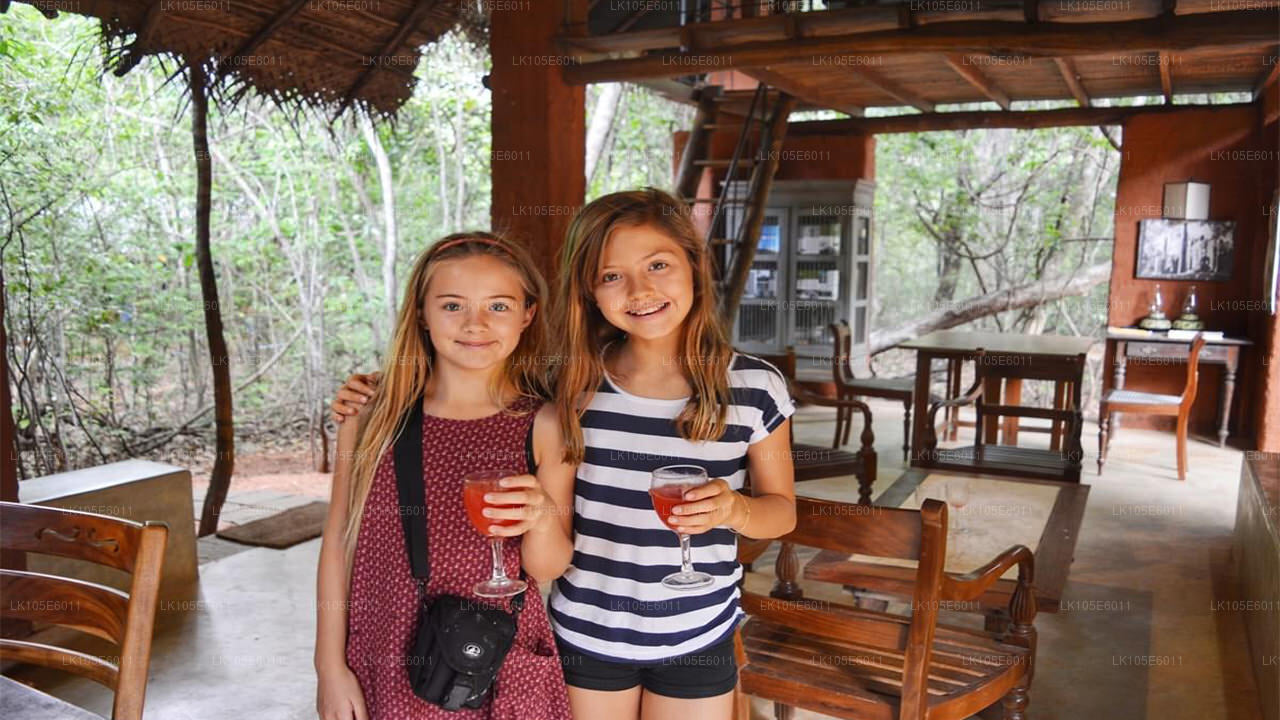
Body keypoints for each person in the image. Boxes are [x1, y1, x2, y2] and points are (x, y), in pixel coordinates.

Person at [332, 190, 797, 720]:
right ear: (590, 291)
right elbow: (481, 380)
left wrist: (736, 509)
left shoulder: (755, 387)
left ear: (694, 266)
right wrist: (381, 388)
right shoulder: (571, 384)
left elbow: (782, 512)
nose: (640, 290)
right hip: (586, 633)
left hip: (698, 633)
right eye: (611, 275)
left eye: (658, 265)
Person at [315, 233, 575, 720]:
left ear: (527, 315)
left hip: (499, 660)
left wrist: (542, 517)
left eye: (498, 306)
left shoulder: (544, 424)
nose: (476, 324)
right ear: (421, 313)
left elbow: (546, 569)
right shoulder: (373, 414)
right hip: (388, 650)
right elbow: (337, 543)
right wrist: (328, 667)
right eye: (453, 305)